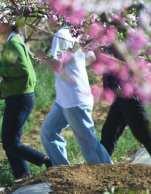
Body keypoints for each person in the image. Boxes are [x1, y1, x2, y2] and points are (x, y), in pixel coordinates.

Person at [37, 19, 111, 165]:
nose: (47, 17)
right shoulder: (76, 33)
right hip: (64, 99)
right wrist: (72, 70)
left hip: (74, 100)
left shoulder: (61, 35)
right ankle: (63, 172)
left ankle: (110, 177)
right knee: (48, 133)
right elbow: (91, 57)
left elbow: (57, 66)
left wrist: (42, 56)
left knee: (90, 147)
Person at [0, 12, 49, 179]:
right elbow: (17, 69)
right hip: (18, 96)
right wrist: (2, 80)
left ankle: (46, 161)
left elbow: (23, 70)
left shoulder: (13, 43)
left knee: (10, 143)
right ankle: (23, 179)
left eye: (2, 21)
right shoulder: (13, 41)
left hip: (20, 98)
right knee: (10, 143)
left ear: (12, 24)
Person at [99, 48, 151, 164]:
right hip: (120, 88)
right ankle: (100, 165)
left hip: (128, 88)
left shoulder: (124, 35)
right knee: (110, 131)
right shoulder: (111, 35)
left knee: (143, 132)